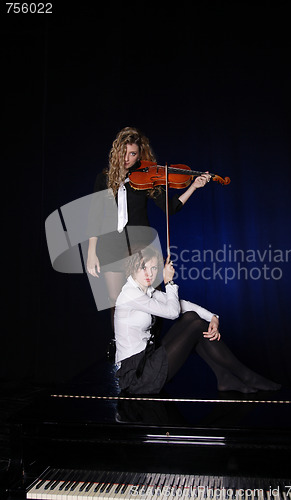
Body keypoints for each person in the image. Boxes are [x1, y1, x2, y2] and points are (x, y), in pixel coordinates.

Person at [86, 127, 210, 329]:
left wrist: (193, 187)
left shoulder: (146, 178)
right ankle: (123, 351)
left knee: (153, 296)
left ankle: (152, 346)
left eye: (132, 153)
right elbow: (95, 217)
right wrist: (92, 252)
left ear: (139, 155)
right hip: (110, 246)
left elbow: (171, 208)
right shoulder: (104, 179)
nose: (127, 158)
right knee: (116, 300)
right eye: (123, 152)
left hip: (140, 246)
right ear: (116, 151)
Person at [114, 246, 281, 395]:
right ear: (133, 267)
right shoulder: (130, 294)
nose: (149, 273)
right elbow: (172, 312)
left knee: (191, 318)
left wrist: (213, 317)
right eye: (144, 267)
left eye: (154, 268)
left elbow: (182, 305)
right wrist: (169, 282)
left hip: (147, 359)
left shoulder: (146, 290)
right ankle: (246, 376)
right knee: (195, 325)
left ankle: (224, 377)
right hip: (137, 375)